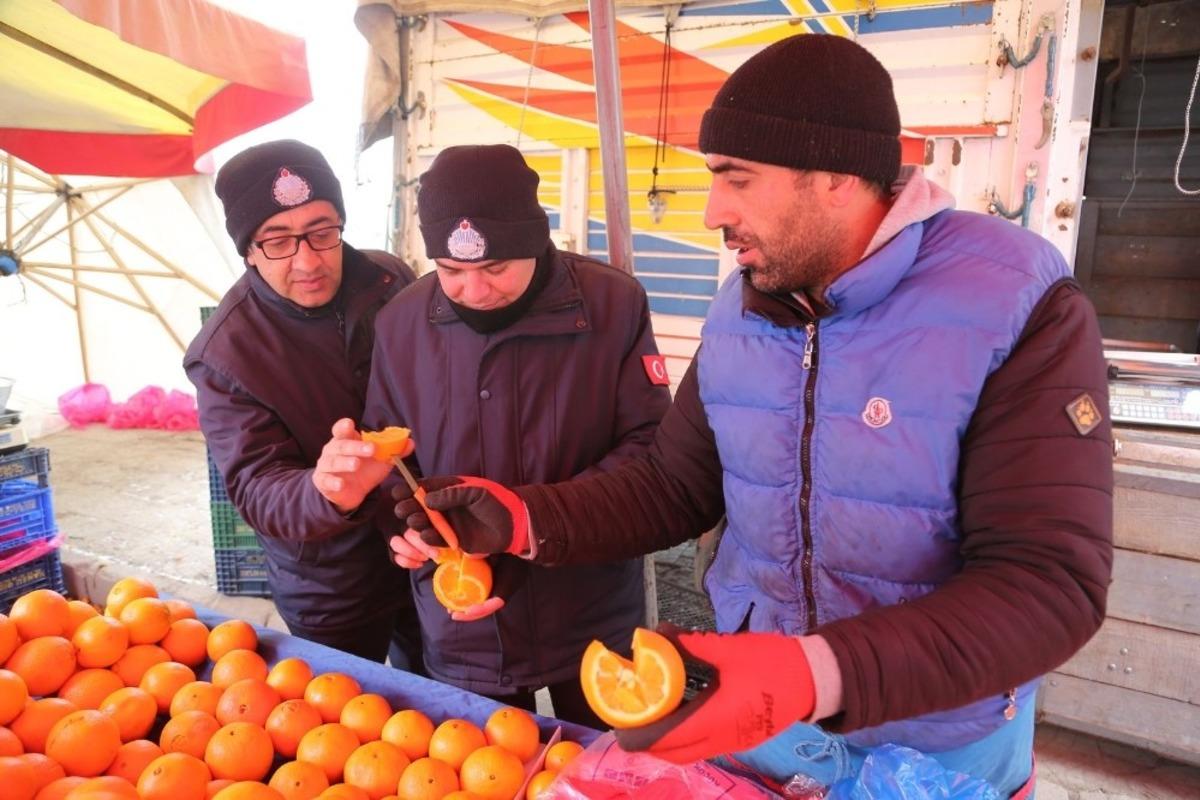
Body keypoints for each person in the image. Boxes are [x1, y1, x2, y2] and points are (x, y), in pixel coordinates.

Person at [390, 36, 1114, 796]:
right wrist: (519, 519)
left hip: (941, 746)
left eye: (735, 179)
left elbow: (1049, 583)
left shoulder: (1016, 304)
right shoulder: (743, 308)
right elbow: (673, 486)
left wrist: (813, 672)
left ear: (835, 175)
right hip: (764, 726)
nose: (711, 212)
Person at [315, 144, 671, 726]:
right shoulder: (401, 321)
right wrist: (400, 528)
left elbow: (650, 453)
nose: (474, 292)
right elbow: (394, 459)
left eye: (497, 268)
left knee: (609, 774)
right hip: (464, 620)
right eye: (451, 272)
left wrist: (531, 523)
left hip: (591, 610)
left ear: (538, 241)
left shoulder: (613, 303)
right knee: (483, 775)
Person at [184, 139, 423, 668]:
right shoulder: (225, 354)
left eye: (322, 232)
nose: (308, 259)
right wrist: (325, 489)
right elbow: (256, 485)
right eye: (278, 241)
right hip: (330, 581)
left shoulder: (391, 282)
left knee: (438, 711)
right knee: (341, 726)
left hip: (423, 545)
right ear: (247, 248)